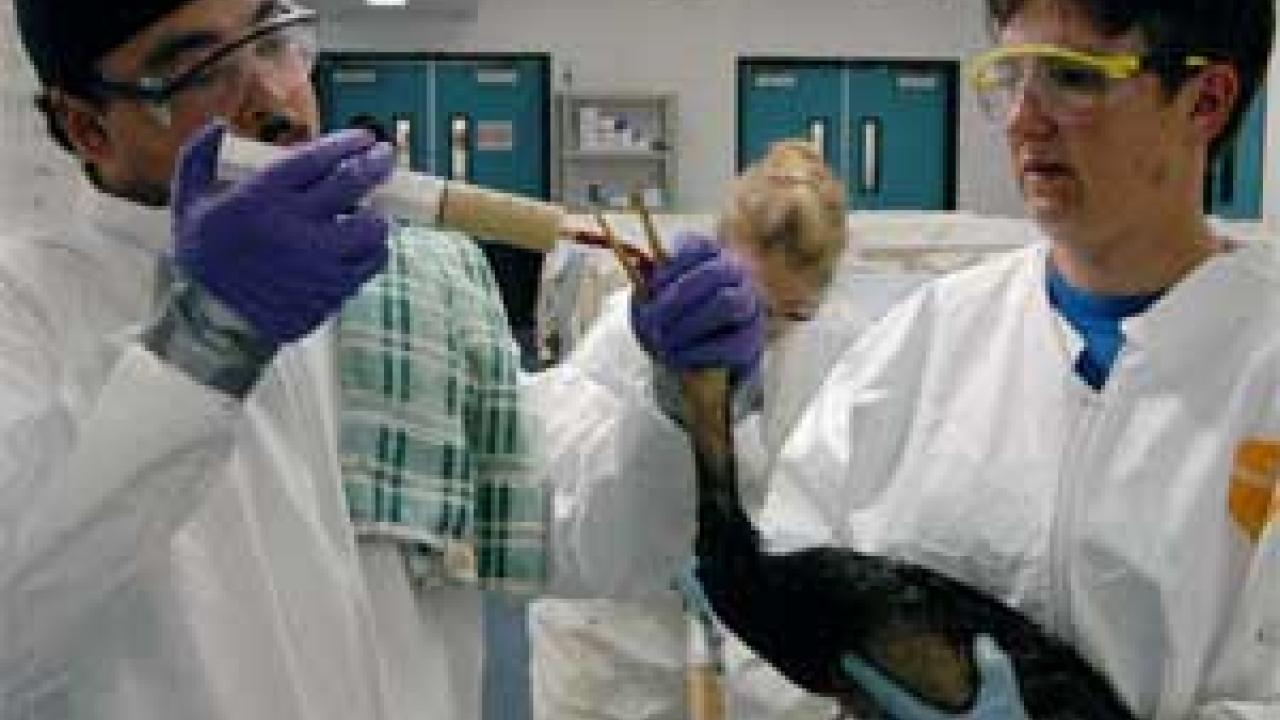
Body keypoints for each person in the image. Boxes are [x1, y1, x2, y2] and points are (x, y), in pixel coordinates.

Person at [0, 0, 694, 718]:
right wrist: (204, 341)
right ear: (89, 126)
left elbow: (579, 534)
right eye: (199, 69)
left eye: (274, 41)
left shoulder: (412, 283)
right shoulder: (27, 309)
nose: (271, 100)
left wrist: (679, 401)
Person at [629, 0, 1280, 718]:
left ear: (1205, 101)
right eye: (1009, 77)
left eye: (1072, 77)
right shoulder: (922, 346)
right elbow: (779, 616)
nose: (1023, 120)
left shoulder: (1263, 369)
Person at [531, 140, 925, 720]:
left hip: (758, 631)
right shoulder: (634, 333)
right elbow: (573, 490)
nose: (762, 332)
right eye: (752, 307)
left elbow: (842, 498)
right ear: (721, 254)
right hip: (614, 640)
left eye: (789, 315)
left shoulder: (845, 352)